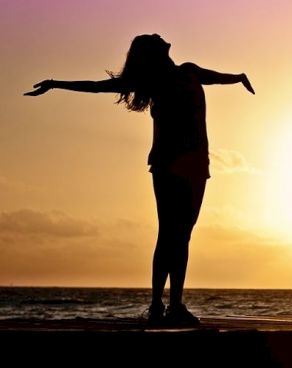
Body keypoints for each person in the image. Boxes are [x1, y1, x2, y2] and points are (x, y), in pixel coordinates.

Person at [24, 33, 255, 326]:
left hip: (198, 164)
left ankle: (173, 305)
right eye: (155, 39)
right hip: (168, 163)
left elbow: (218, 78)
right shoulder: (152, 81)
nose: (162, 36)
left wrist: (239, 77)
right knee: (170, 233)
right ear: (153, 52)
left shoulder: (189, 71)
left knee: (181, 236)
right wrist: (56, 84)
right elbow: (98, 87)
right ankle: (161, 304)